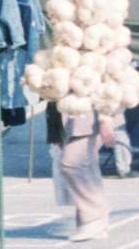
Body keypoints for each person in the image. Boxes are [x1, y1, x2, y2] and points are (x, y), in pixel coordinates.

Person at [49, 101, 117, 241]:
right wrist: (55, 131)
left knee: (71, 163)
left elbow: (107, 90)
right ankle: (92, 223)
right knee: (87, 166)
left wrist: (105, 121)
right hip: (69, 116)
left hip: (90, 115)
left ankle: (95, 215)